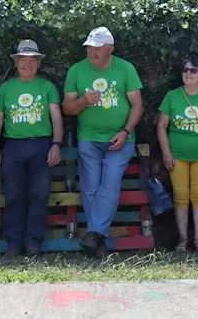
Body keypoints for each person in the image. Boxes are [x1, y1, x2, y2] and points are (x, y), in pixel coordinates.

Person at [62, 26, 143, 257]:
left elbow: (137, 105)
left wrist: (126, 131)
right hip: (89, 137)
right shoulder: (77, 70)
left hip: (120, 138)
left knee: (110, 180)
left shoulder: (125, 69)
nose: (92, 52)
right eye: (89, 47)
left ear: (110, 49)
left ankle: (94, 235)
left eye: (97, 48)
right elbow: (67, 107)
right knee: (90, 186)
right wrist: (83, 102)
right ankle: (97, 239)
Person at [0, 40, 64, 256]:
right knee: (13, 195)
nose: (27, 65)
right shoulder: (6, 88)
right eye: (23, 60)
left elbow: (56, 117)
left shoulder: (47, 87)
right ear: (16, 62)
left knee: (39, 194)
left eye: (32, 61)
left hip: (41, 144)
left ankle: (33, 243)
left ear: (39, 63)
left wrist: (56, 145)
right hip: (13, 145)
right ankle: (13, 243)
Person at [156, 56, 198, 252]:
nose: (188, 73)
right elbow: (161, 126)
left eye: (194, 70)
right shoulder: (172, 96)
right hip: (177, 155)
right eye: (185, 70)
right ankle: (183, 240)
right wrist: (166, 152)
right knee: (181, 195)